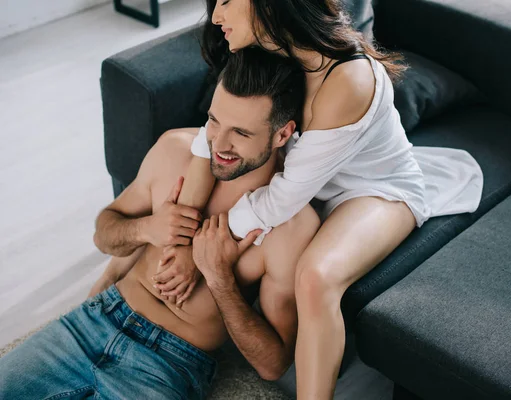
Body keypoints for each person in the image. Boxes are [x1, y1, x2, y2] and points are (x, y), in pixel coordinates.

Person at [152, 1, 484, 398]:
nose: (217, 17)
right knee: (182, 152)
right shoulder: (265, 53)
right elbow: (212, 134)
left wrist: (198, 249)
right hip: (307, 186)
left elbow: (282, 200)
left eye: (225, 1)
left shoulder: (347, 79)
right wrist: (183, 237)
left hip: (375, 190)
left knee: (315, 277)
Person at [0, 47, 320, 400]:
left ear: (281, 134)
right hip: (95, 320)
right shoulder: (174, 150)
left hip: (170, 362)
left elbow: (272, 365)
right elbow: (104, 232)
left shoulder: (290, 226)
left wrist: (220, 278)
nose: (220, 144)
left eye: (241, 133)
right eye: (214, 121)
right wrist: (146, 228)